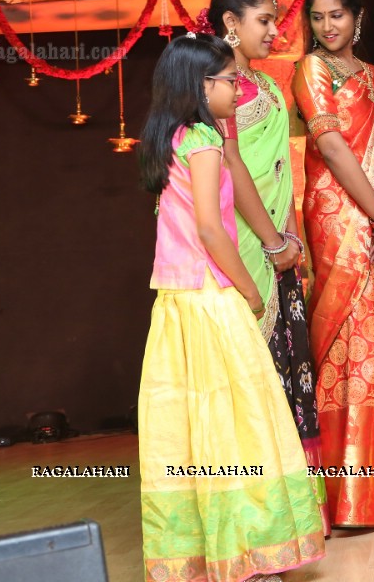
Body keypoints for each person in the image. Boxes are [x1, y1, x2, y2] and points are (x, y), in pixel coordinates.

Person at [136, 34, 324, 582]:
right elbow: (212, 230)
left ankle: (204, 554)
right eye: (228, 81)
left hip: (174, 300)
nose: (236, 88)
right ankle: (249, 550)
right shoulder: (202, 138)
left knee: (193, 425)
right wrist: (249, 288)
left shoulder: (168, 137)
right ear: (201, 85)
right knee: (240, 420)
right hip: (212, 298)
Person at [292, 0, 374, 528]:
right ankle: (347, 496)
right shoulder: (310, 70)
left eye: (337, 15)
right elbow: (333, 146)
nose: (327, 26)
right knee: (353, 336)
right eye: (317, 18)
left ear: (358, 17)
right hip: (341, 217)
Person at [207, 0, 328, 534]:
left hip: (278, 242)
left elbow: (278, 166)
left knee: (289, 371)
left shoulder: (261, 82)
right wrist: (274, 243)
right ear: (231, 24)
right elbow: (232, 169)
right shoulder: (220, 87)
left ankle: (296, 515)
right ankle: (260, 521)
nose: (276, 32)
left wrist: (288, 237)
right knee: (254, 378)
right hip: (245, 246)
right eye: (264, 21)